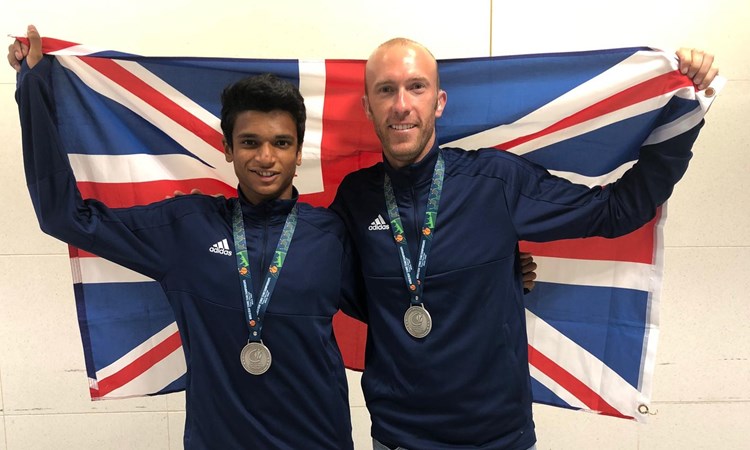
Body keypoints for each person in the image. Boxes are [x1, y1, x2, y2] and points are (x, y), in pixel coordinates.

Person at [329, 38, 718, 449]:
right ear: (368, 106)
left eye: (417, 87)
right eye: (386, 90)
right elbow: (336, 283)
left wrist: (684, 113)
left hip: (500, 438)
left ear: (439, 102)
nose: (402, 105)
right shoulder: (355, 199)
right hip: (398, 438)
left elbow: (616, 209)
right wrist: (477, 282)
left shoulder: (495, 182)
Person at [12, 26, 363, 449]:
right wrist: (32, 87)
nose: (266, 158)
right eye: (250, 142)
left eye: (281, 143)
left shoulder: (331, 233)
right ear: (228, 148)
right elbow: (64, 217)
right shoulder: (187, 227)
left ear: (298, 149)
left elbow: (397, 305)